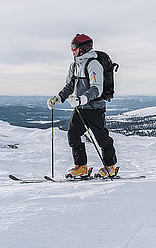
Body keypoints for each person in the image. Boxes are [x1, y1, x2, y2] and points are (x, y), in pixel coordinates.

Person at [47, 34, 118, 179]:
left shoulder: (93, 64)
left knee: (102, 139)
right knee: (73, 136)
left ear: (82, 49)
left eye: (74, 47)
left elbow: (97, 88)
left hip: (95, 108)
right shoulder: (74, 66)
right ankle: (81, 167)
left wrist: (81, 99)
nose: (72, 50)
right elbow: (69, 86)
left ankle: (110, 166)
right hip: (80, 108)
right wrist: (58, 98)